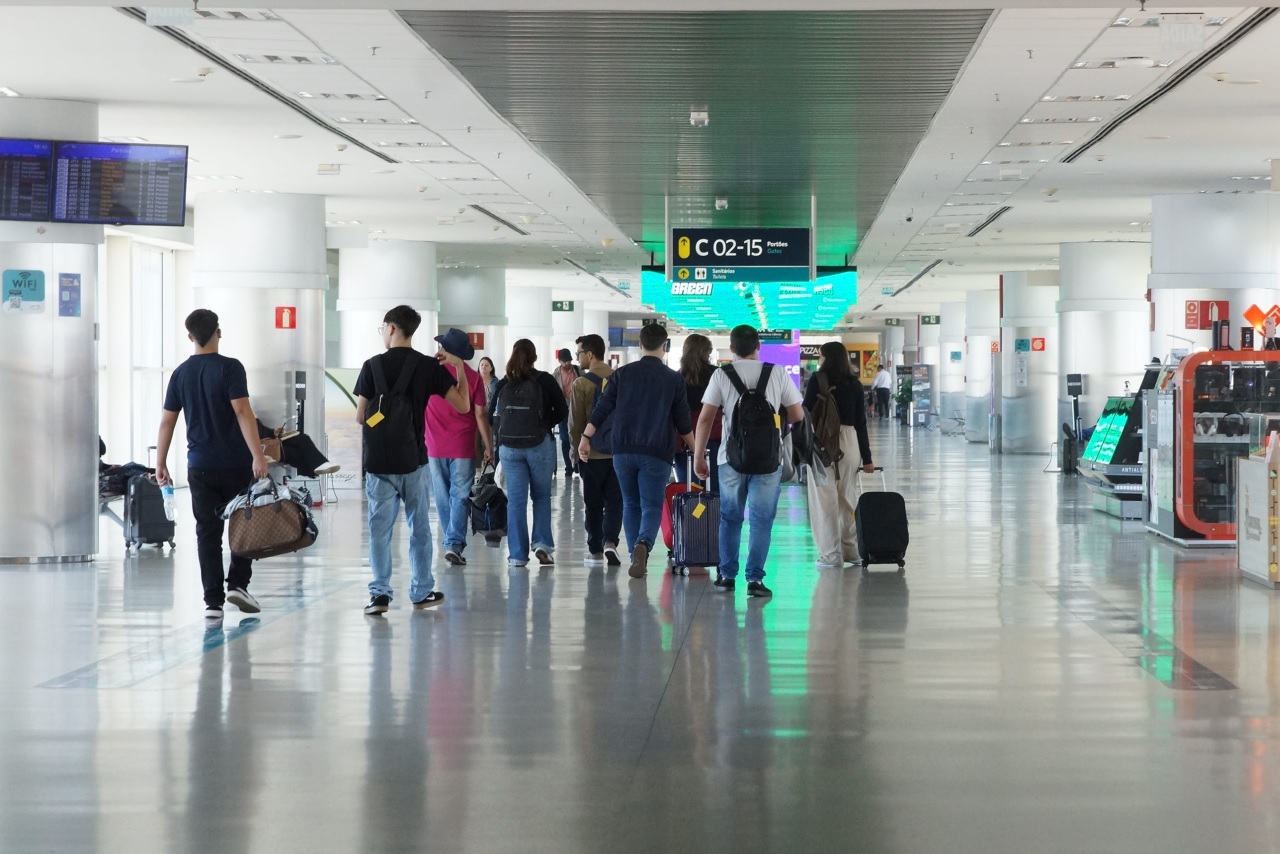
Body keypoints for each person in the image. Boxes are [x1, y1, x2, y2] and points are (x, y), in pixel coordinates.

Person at [354, 305, 471, 616]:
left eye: (383, 329)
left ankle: (379, 594)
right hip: (414, 461)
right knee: (419, 527)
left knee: (380, 530)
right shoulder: (427, 366)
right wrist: (458, 366)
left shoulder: (371, 366)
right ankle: (420, 591)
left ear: (392, 328)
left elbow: (359, 417)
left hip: (378, 464)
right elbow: (463, 405)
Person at [155, 309, 270, 620]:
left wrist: (160, 462)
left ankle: (213, 603)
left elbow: (168, 421)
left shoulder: (180, 374)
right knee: (245, 524)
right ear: (219, 332)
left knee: (207, 531)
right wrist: (258, 455)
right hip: (236, 464)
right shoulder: (231, 368)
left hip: (200, 465)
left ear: (190, 337)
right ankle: (238, 584)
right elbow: (243, 412)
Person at [693, 324, 804, 598]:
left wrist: (699, 455)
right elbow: (797, 415)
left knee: (730, 518)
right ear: (758, 347)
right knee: (761, 519)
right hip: (768, 458)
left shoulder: (721, 374)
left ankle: (727, 576)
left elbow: (706, 418)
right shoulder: (777, 372)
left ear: (731, 349)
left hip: (730, 459)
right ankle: (755, 580)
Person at [579, 323, 694, 579]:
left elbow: (602, 407)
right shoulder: (674, 379)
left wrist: (586, 436)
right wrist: (696, 450)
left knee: (630, 504)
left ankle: (634, 556)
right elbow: (683, 422)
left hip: (622, 450)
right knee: (651, 504)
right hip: (656, 451)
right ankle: (643, 544)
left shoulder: (622, 374)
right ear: (665, 347)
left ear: (640, 345)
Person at [491, 339, 568, 568]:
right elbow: (562, 410)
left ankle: (516, 555)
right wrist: (543, 425)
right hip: (539, 445)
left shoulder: (505, 382)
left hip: (510, 449)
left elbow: (491, 416)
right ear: (534, 357)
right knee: (541, 495)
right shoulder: (544, 380)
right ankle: (542, 544)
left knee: (516, 501)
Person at [804, 342, 875, 568]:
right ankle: (852, 551)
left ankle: (830, 555)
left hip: (823, 442)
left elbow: (806, 412)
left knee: (824, 500)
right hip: (850, 441)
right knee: (847, 497)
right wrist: (867, 458)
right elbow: (861, 423)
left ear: (826, 358)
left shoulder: (818, 380)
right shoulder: (855, 383)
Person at [426, 328, 493, 567]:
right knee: (460, 496)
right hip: (462, 446)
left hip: (433, 445)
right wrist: (489, 446)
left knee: (443, 496)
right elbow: (480, 415)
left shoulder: (430, 372)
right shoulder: (473, 378)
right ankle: (453, 543)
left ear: (446, 350)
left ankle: (451, 542)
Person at [568, 333, 622, 568]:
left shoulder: (581, 383)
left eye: (579, 353)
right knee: (615, 500)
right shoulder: (620, 378)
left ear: (589, 354)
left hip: (589, 453)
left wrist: (575, 452)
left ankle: (595, 550)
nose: (577, 357)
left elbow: (575, 424)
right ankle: (611, 541)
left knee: (593, 502)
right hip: (617, 453)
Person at [678, 333, 722, 493]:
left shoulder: (677, 377)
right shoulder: (717, 375)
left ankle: (692, 517)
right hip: (714, 437)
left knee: (689, 489)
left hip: (685, 440)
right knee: (715, 489)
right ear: (707, 352)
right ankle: (713, 517)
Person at [254, 418, 339, 478]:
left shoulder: (250, 417)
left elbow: (263, 431)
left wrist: (273, 432)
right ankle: (314, 474)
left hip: (271, 443)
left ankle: (320, 464)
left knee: (303, 438)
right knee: (299, 455)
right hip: (263, 449)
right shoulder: (245, 418)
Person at [554, 348, 581, 478]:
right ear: (559, 361)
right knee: (565, 439)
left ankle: (577, 464)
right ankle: (568, 466)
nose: (567, 364)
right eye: (564, 361)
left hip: (577, 409)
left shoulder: (578, 371)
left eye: (569, 360)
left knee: (577, 437)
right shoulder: (555, 374)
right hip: (563, 410)